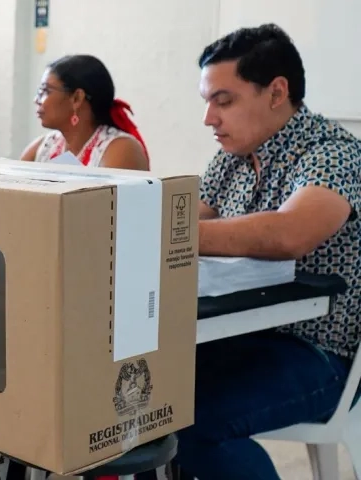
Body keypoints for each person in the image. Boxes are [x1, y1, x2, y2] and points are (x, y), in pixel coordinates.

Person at [132, 23, 361, 480]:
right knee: (142, 404)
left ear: (277, 92)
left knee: (196, 424)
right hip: (242, 333)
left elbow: (289, 234)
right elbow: (193, 218)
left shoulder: (334, 153)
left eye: (224, 100)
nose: (209, 119)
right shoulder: (233, 156)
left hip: (319, 352)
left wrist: (166, 232)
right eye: (207, 102)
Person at [21, 55, 149, 170]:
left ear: (77, 98)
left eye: (46, 91)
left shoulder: (121, 150)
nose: (36, 100)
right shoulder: (43, 148)